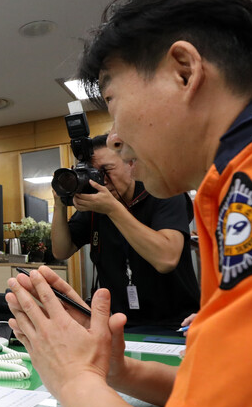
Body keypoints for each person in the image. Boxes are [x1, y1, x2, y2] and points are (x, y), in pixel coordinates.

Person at [6, 0, 252, 407]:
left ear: (184, 71)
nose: (113, 137)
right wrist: (121, 372)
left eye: (112, 102)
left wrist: (73, 378)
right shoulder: (238, 179)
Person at [51, 134, 199, 329]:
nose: (100, 180)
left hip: (179, 323)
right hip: (124, 325)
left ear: (131, 164)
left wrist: (113, 209)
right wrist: (59, 205)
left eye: (106, 170)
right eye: (92, 173)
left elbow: (166, 259)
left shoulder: (162, 193)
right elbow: (61, 251)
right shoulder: (97, 207)